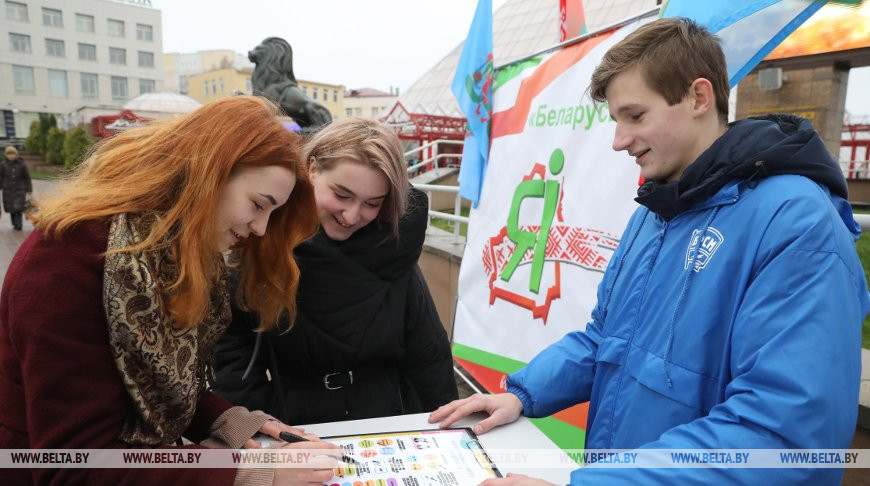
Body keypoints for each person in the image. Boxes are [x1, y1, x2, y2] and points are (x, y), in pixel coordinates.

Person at [429, 18, 869, 485]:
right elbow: (604, 339)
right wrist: (523, 394)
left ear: (699, 98)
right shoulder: (656, 211)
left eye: (635, 116)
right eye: (616, 121)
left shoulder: (795, 222)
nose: (619, 140)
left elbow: (782, 433)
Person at [0, 96, 341, 485]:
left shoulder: (173, 252)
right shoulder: (68, 257)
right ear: (209, 174)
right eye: (258, 204)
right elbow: (76, 464)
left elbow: (158, 386)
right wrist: (251, 474)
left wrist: (229, 421)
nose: (261, 228)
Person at [213, 117, 457, 425]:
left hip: (389, 425)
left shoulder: (397, 252)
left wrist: (447, 432)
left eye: (372, 203)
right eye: (342, 195)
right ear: (312, 168)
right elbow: (235, 359)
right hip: (297, 427)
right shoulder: (263, 240)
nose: (352, 215)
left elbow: (428, 356)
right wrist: (264, 427)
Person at [0, 145, 32, 231]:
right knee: (11, 208)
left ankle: (18, 225)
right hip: (7, 190)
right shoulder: (3, 164)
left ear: (16, 154)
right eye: (9, 154)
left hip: (20, 190)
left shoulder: (22, 165)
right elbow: (1, 177)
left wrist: (29, 190)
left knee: (18, 208)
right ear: (6, 155)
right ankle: (14, 224)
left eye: (13, 154)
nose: (11, 156)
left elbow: (27, 178)